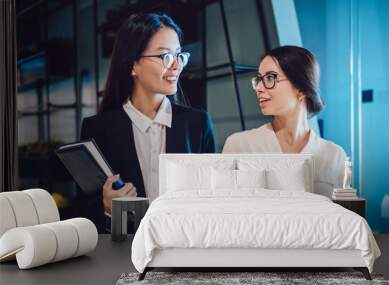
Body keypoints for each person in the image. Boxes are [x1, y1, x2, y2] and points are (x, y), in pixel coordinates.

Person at [79, 13, 216, 232]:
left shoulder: (197, 124)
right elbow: (82, 211)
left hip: (185, 250)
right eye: (165, 57)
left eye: (179, 56)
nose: (176, 66)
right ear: (133, 64)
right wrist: (105, 207)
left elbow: (214, 199)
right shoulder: (99, 129)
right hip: (124, 255)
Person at [223, 45, 346, 197]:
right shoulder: (239, 146)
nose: (259, 88)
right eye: (259, 80)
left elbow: (344, 218)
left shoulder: (334, 157)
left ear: (301, 89)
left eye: (270, 78)